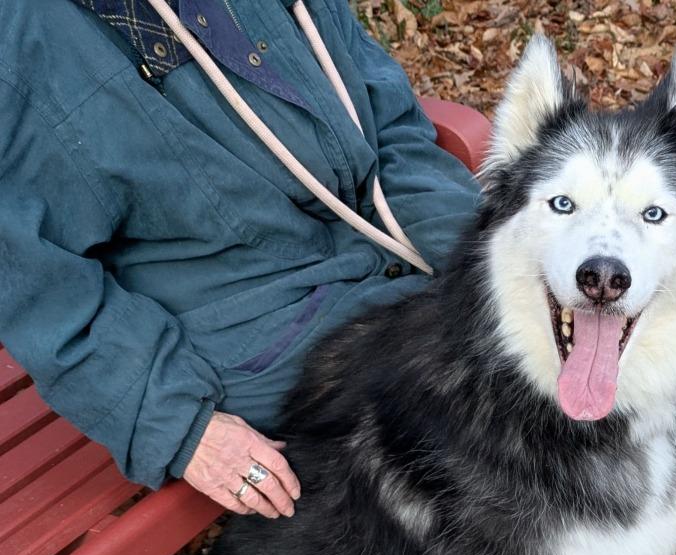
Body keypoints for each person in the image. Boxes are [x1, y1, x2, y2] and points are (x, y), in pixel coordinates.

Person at [0, 0, 480, 518]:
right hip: (256, 324)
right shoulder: (24, 37)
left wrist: (475, 252)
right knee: (486, 432)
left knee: (540, 341)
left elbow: (388, 118)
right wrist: (180, 426)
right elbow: (38, 289)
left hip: (380, 252)